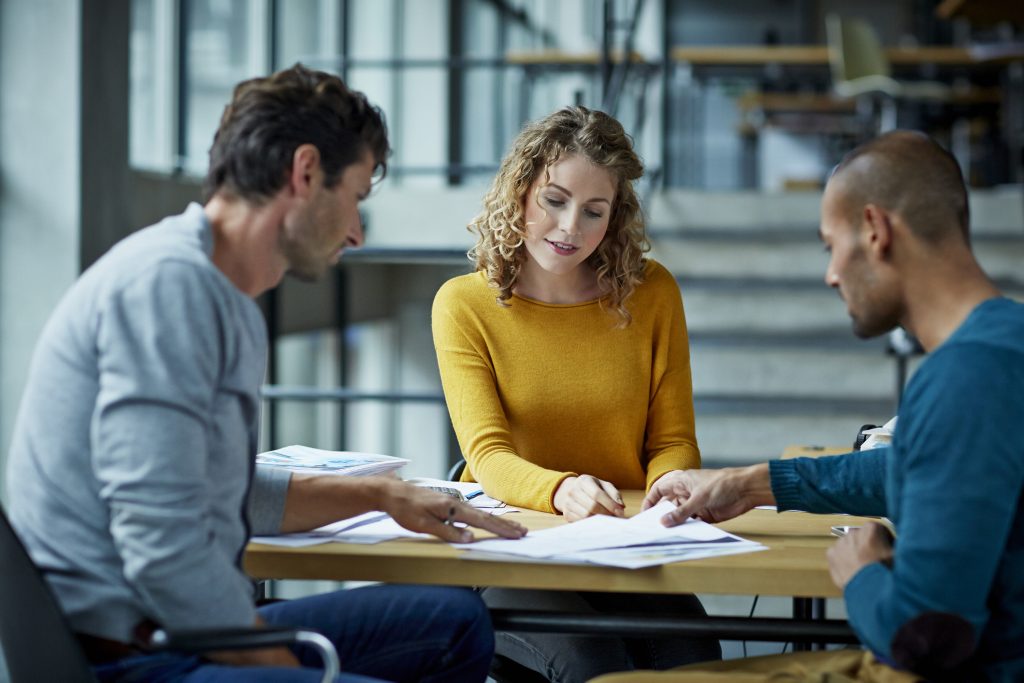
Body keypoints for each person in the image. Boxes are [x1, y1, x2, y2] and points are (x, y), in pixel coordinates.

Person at [5, 64, 525, 683]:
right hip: (133, 656)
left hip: (175, 629)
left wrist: (382, 496)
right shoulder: (167, 289)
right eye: (356, 197)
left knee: (455, 621)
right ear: (305, 173)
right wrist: (283, 665)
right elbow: (162, 546)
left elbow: (208, 485)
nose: (357, 232)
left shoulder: (217, 291)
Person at [593, 131, 1024, 683]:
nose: (831, 274)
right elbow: (920, 467)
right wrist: (752, 483)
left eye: (831, 246)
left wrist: (862, 574)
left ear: (875, 230)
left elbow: (926, 637)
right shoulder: (1003, 339)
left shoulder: (965, 377)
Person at [431, 106, 720, 683]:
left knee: (695, 656)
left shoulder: (652, 291)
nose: (570, 229)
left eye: (594, 211)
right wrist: (561, 489)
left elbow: (673, 439)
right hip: (511, 545)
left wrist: (670, 482)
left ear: (615, 217)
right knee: (594, 664)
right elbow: (487, 456)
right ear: (519, 192)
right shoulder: (463, 305)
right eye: (554, 201)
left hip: (622, 540)